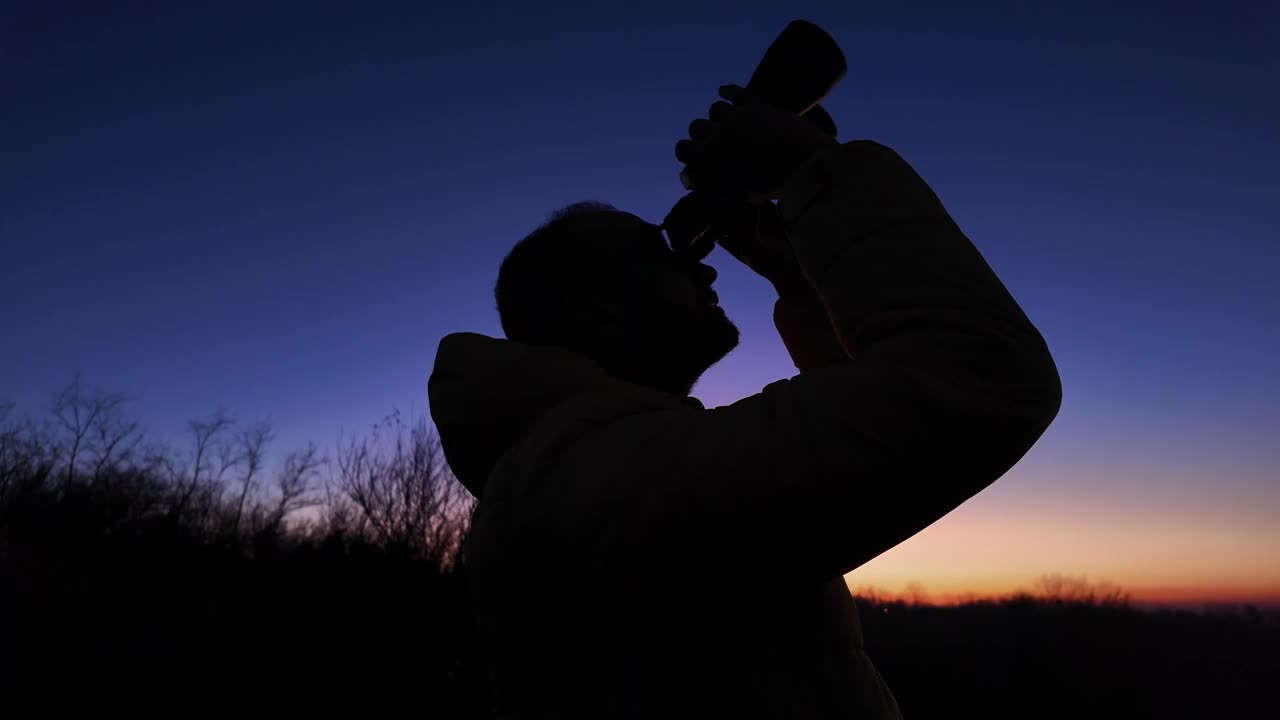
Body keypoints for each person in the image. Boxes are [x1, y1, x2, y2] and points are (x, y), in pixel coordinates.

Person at [428, 85, 1062, 718]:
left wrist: (799, 274)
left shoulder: (595, 475)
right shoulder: (590, 486)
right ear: (592, 311)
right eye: (662, 255)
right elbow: (980, 375)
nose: (704, 268)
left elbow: (873, 415)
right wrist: (806, 169)